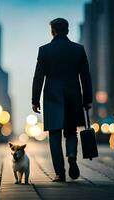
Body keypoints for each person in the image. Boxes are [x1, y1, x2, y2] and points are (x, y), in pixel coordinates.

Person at [32, 18, 92, 182]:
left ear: (53, 31)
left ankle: (60, 173)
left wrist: (35, 100)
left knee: (54, 134)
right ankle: (71, 154)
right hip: (73, 94)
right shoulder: (78, 49)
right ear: (67, 30)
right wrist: (87, 99)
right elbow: (85, 77)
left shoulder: (44, 50)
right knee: (71, 131)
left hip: (52, 95)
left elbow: (38, 77)